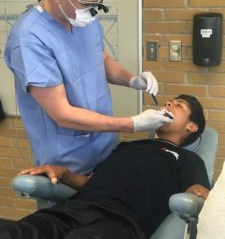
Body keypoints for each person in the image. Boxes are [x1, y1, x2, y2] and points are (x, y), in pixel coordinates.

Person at [4, 0, 172, 175]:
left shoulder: (81, 17)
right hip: (68, 166)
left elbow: (99, 59)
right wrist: (132, 124)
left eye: (97, 2)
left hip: (106, 149)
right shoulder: (29, 39)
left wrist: (132, 80)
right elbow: (62, 114)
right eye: (86, 4)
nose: (92, 11)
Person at [0, 95, 210, 239]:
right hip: (75, 208)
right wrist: (63, 173)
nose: (168, 105)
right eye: (168, 102)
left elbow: (197, 193)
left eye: (178, 105)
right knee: (16, 232)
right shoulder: (127, 146)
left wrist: (197, 197)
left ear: (191, 127)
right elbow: (91, 182)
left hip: (121, 221)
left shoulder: (186, 158)